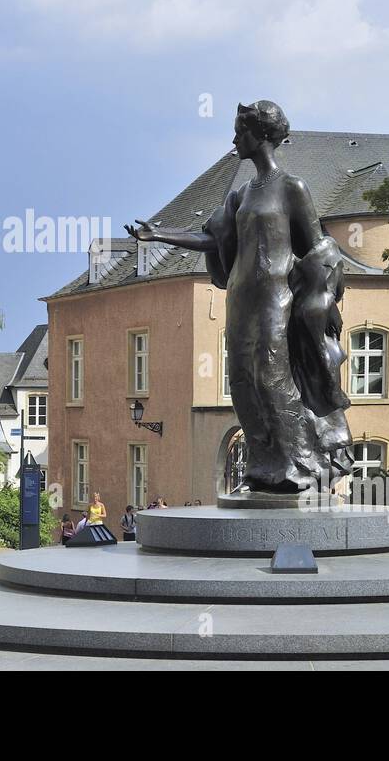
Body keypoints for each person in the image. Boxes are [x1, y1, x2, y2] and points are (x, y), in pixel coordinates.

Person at [126, 100, 354, 494]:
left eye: (241, 131)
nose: (235, 138)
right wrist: (160, 235)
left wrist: (321, 301)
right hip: (241, 297)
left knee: (272, 378)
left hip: (276, 299)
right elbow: (212, 240)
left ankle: (299, 465)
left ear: (261, 135)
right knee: (244, 381)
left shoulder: (291, 188)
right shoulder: (242, 194)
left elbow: (319, 247)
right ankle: (264, 469)